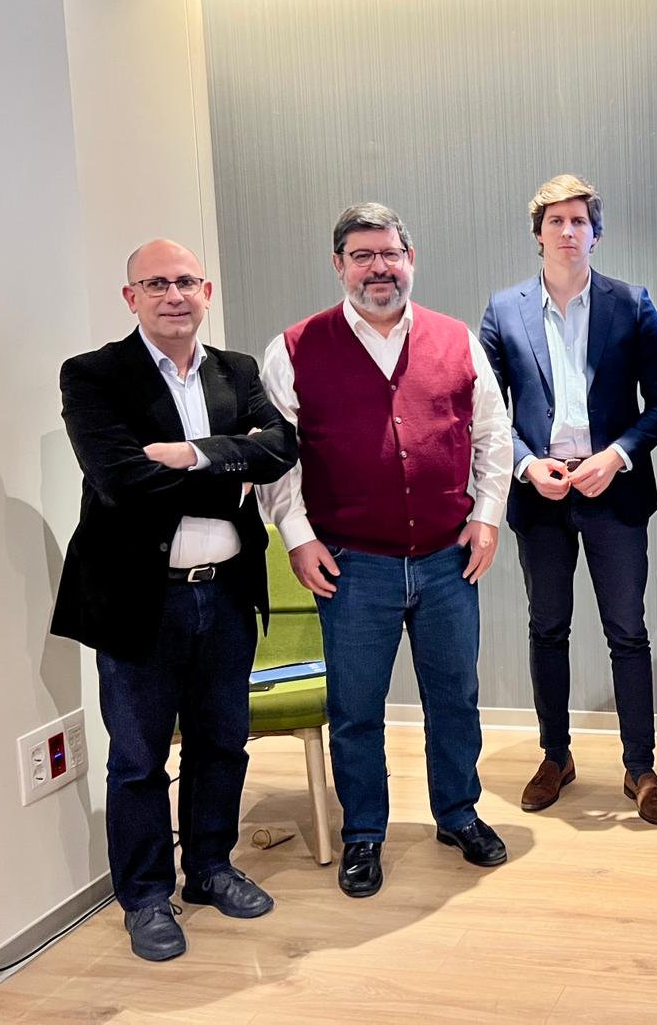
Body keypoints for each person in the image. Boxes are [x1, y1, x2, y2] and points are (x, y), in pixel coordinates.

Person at [257, 203, 513, 898]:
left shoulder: (457, 340)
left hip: (446, 559)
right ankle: (364, 832)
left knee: (455, 698)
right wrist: (298, 536)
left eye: (390, 254)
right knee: (356, 709)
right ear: (338, 265)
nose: (379, 268)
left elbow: (493, 435)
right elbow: (278, 459)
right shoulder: (293, 349)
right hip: (351, 564)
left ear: (410, 259)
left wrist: (488, 517)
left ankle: (458, 814)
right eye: (362, 256)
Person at [52, 240, 298, 962]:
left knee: (222, 743)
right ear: (130, 297)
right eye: (155, 283)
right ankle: (147, 896)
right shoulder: (94, 375)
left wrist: (190, 453)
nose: (173, 295)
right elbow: (121, 481)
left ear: (206, 291)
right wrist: (232, 463)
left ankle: (211, 868)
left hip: (226, 596)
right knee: (138, 759)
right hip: (140, 603)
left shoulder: (237, 371)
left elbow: (282, 448)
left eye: (186, 281)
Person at [480, 174, 657, 825]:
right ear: (538, 233)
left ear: (596, 233)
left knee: (628, 632)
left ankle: (640, 768)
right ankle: (555, 756)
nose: (568, 231)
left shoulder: (632, 303)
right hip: (541, 494)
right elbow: (486, 412)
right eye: (556, 221)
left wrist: (616, 455)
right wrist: (526, 464)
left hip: (613, 490)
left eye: (579, 221)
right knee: (548, 629)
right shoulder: (503, 310)